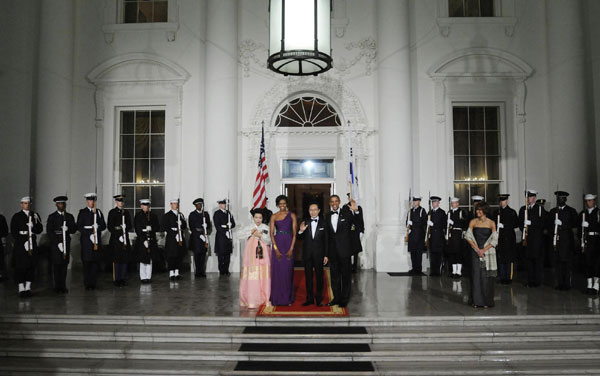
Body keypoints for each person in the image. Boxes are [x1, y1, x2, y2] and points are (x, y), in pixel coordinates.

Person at [325, 194, 358, 308]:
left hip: (345, 250)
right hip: (333, 252)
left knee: (345, 276)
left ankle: (344, 299)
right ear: (330, 203)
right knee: (334, 277)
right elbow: (327, 236)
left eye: (336, 201)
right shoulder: (327, 215)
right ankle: (336, 298)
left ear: (339, 202)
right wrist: (326, 253)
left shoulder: (347, 213)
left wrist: (356, 211)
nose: (334, 203)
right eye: (332, 202)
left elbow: (357, 223)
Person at [465, 201, 498, 309]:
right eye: (477, 210)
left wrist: (483, 250)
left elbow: (494, 240)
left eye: (480, 210)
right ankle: (476, 301)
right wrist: (477, 249)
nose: (477, 212)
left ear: (485, 211)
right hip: (475, 252)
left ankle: (486, 302)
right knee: (475, 276)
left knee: (486, 277)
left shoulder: (491, 223)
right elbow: (468, 237)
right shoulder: (473, 222)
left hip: (487, 253)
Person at [239, 208, 272, 309]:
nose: (258, 220)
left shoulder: (265, 227)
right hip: (251, 254)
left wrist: (260, 235)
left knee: (263, 274)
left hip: (263, 254)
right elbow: (239, 235)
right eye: (256, 217)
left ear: (262, 218)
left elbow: (269, 241)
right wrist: (251, 232)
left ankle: (265, 297)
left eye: (260, 218)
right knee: (252, 274)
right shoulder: (249, 227)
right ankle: (251, 298)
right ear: (253, 218)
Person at [10, 197, 43, 297]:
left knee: (31, 265)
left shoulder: (35, 215)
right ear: (21, 204)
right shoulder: (16, 216)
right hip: (21, 244)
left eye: (28, 203)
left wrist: (33, 226)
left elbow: (39, 230)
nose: (26, 205)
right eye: (24, 203)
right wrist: (22, 240)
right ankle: (21, 288)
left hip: (32, 241)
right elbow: (14, 231)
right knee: (20, 266)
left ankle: (28, 287)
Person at [298, 203, 328, 306]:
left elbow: (327, 241)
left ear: (319, 210)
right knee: (308, 277)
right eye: (311, 210)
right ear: (308, 211)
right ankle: (309, 299)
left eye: (315, 209)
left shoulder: (324, 223)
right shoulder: (305, 221)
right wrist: (301, 231)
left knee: (320, 277)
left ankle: (319, 299)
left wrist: (326, 255)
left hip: (319, 254)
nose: (313, 212)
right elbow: (299, 238)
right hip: (307, 254)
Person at [270, 195, 297, 306]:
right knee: (277, 272)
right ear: (277, 204)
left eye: (284, 203)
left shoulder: (292, 215)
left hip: (289, 242)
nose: (282, 205)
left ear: (287, 204)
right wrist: (276, 249)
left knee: (287, 272)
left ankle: (288, 298)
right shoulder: (274, 216)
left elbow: (295, 234)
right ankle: (276, 298)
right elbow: (271, 234)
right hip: (278, 243)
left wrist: (291, 249)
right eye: (280, 204)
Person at [46, 195, 77, 293]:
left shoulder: (69, 216)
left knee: (64, 265)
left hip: (66, 243)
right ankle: (56, 286)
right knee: (56, 265)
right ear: (56, 205)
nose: (61, 205)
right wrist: (57, 243)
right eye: (59, 203)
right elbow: (49, 232)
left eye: (63, 203)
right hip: (56, 245)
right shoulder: (52, 217)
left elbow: (73, 229)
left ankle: (62, 286)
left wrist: (68, 228)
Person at [549, 191, 578, 290]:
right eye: (558, 198)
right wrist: (553, 225)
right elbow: (548, 227)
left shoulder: (571, 211)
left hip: (567, 242)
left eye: (562, 198)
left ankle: (567, 284)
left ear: (565, 199)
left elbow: (574, 224)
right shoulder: (553, 211)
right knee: (558, 264)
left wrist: (563, 225)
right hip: (557, 242)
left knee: (567, 264)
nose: (559, 200)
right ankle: (560, 283)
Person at [77, 193, 107, 290]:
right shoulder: (82, 212)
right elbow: (79, 226)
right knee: (87, 263)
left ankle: (93, 283)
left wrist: (98, 227)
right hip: (86, 241)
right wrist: (89, 231)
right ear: (87, 201)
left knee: (95, 263)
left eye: (93, 200)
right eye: (90, 200)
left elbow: (104, 225)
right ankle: (87, 283)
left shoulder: (98, 212)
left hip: (96, 241)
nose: (92, 202)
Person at [519, 190, 547, 287]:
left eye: (530, 197)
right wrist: (524, 226)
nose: (528, 199)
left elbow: (543, 223)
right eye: (527, 197)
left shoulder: (539, 209)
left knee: (537, 260)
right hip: (527, 239)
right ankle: (530, 280)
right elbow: (519, 223)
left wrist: (531, 224)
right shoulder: (523, 209)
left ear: (534, 198)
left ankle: (537, 281)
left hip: (536, 239)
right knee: (528, 260)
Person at [107, 194, 132, 287]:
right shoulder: (112, 212)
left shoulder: (126, 212)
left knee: (124, 259)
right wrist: (118, 234)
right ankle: (116, 278)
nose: (121, 203)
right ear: (116, 202)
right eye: (119, 201)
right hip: (116, 240)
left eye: (122, 201)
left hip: (125, 238)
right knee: (116, 259)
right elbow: (110, 227)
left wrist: (125, 228)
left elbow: (129, 225)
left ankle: (123, 278)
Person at [493, 194, 518, 285]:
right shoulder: (496, 212)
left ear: (507, 201)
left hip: (509, 239)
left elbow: (515, 224)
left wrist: (505, 226)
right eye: (500, 201)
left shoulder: (512, 212)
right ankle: (502, 277)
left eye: (503, 201)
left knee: (509, 258)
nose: (501, 202)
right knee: (501, 258)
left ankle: (509, 277)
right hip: (500, 239)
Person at [134, 199, 160, 283]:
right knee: (143, 259)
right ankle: (143, 276)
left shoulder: (153, 216)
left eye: (147, 205)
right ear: (141, 206)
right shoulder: (138, 216)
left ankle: (148, 276)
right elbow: (137, 229)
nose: (146, 207)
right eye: (144, 205)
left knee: (150, 259)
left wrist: (152, 228)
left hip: (151, 239)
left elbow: (157, 227)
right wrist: (143, 240)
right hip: (142, 240)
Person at [162, 199, 187, 281]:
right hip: (172, 238)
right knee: (171, 256)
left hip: (179, 237)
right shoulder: (167, 215)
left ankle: (177, 271)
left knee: (179, 255)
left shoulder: (180, 215)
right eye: (174, 204)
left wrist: (181, 223)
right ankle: (171, 272)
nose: (176, 205)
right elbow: (164, 227)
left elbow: (184, 226)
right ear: (171, 205)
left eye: (176, 204)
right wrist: (173, 233)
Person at [580, 194, 600, 294]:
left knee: (597, 263)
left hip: (597, 239)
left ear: (594, 201)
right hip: (587, 240)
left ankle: (596, 285)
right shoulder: (583, 213)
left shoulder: (598, 212)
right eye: (587, 201)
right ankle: (589, 284)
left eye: (590, 201)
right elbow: (580, 230)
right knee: (588, 262)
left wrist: (590, 225)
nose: (588, 203)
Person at [189, 198, 212, 277]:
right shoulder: (192, 214)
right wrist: (199, 235)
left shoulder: (205, 214)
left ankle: (202, 271)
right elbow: (191, 227)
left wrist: (206, 226)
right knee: (197, 255)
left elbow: (209, 225)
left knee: (203, 254)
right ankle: (197, 272)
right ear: (195, 206)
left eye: (201, 204)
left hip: (204, 235)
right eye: (198, 205)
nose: (200, 206)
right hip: (196, 238)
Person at [213, 199, 236, 276]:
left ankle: (226, 269)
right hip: (221, 236)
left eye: (225, 204)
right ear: (219, 205)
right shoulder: (217, 213)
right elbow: (217, 226)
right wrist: (225, 230)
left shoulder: (228, 213)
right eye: (222, 204)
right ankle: (221, 270)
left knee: (227, 254)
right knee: (221, 254)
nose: (224, 205)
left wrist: (230, 224)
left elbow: (233, 224)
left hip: (228, 235)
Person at [446, 197, 466, 279]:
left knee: (458, 253)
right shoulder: (449, 212)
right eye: (452, 203)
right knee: (452, 253)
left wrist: (453, 223)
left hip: (458, 234)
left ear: (457, 203)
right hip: (451, 234)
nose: (452, 204)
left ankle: (459, 271)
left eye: (454, 203)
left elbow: (463, 224)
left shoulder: (461, 212)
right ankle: (454, 271)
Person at [407, 196, 427, 276]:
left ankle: (418, 269)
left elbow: (423, 222)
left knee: (418, 253)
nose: (414, 202)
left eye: (416, 201)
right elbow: (407, 221)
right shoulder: (410, 211)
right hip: (412, 234)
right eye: (414, 201)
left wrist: (413, 224)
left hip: (419, 235)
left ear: (419, 202)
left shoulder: (422, 210)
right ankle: (414, 268)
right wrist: (408, 226)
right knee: (413, 252)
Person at [427, 196, 446, 276]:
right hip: (432, 237)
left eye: (435, 202)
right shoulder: (430, 212)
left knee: (438, 254)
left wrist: (434, 225)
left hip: (438, 236)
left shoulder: (442, 212)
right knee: (432, 255)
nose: (433, 203)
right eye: (432, 202)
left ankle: (438, 271)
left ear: (438, 203)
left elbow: (443, 224)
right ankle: (433, 271)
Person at [346, 193, 364, 273]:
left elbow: (361, 220)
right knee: (349, 250)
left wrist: (362, 230)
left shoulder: (359, 208)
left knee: (356, 250)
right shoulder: (345, 207)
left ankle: (355, 266)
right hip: (348, 232)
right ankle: (349, 266)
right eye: (350, 198)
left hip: (356, 231)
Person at [0, 213, 8, 282]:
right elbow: (5, 231)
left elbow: (4, 231)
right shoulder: (1, 218)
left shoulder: (1, 218)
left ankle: (2, 274)